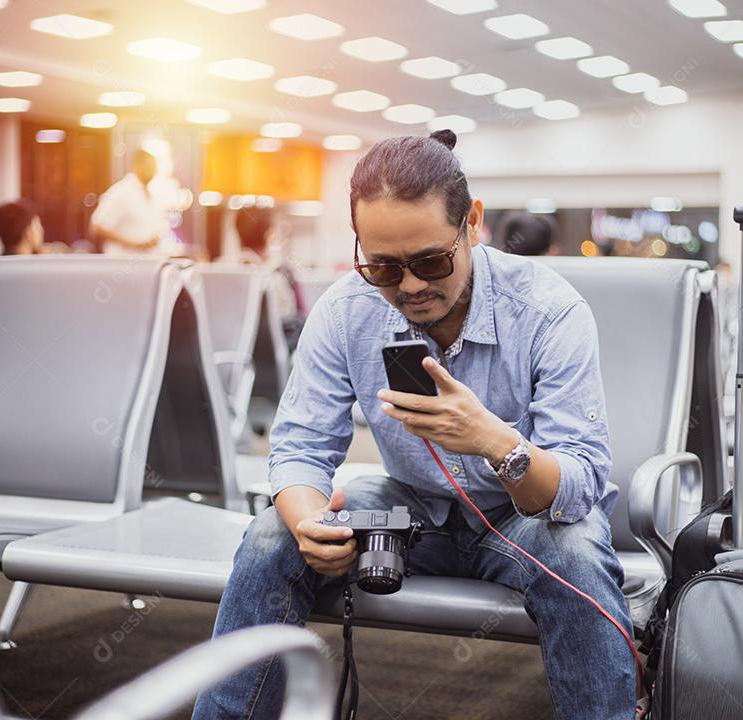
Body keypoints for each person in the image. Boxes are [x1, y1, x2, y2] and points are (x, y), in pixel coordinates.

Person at [192, 130, 633, 719]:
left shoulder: (550, 312)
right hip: (409, 511)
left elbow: (581, 483)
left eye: (431, 261)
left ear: (472, 223)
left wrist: (494, 441)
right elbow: (299, 447)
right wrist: (307, 525)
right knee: (273, 532)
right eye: (383, 266)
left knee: (577, 550)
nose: (410, 287)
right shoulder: (348, 309)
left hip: (518, 518)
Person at [235, 204, 306, 350]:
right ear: (269, 234)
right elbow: (302, 317)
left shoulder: (219, 271)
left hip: (231, 359)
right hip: (273, 361)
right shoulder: (282, 273)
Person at [88, 149, 168, 254]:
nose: (153, 171)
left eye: (154, 168)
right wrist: (133, 244)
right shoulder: (122, 191)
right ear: (137, 166)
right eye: (150, 167)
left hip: (146, 265)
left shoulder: (151, 196)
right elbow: (97, 228)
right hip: (121, 264)